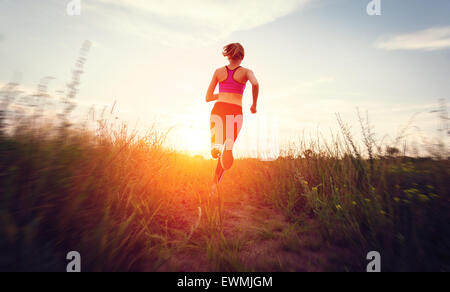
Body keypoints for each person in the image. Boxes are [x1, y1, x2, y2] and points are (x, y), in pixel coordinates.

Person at [205, 43, 259, 197]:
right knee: (227, 148)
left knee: (217, 144)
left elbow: (208, 97)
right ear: (242, 56)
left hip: (218, 110)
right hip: (235, 112)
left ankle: (215, 145)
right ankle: (214, 187)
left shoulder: (218, 72)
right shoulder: (247, 72)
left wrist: (222, 94)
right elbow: (255, 83)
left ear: (227, 55)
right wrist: (254, 105)